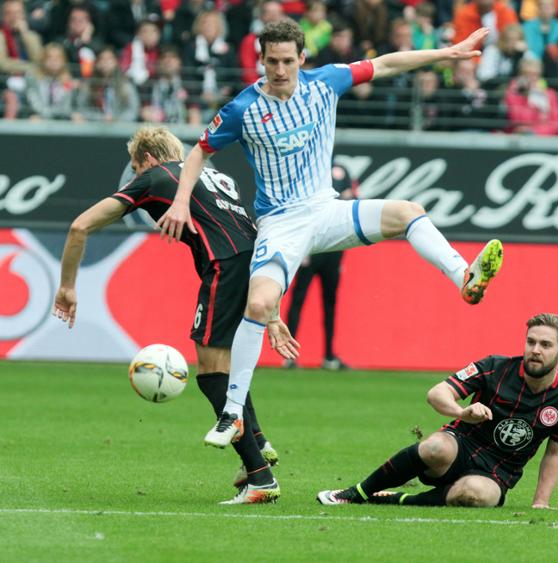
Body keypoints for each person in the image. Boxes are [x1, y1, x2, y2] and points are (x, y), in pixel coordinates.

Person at [156, 20, 505, 449]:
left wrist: (447, 53)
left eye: (288, 61)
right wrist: (178, 202)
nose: (280, 70)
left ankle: (464, 279)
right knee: (261, 302)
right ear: (260, 60)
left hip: (326, 210)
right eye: (272, 61)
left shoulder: (326, 82)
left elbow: (386, 63)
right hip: (281, 223)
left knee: (408, 212)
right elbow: (198, 152)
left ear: (302, 59)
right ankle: (232, 412)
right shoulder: (243, 109)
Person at [52, 126, 300, 505]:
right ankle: (259, 443)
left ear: (149, 159)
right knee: (231, 366)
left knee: (212, 373)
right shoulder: (215, 175)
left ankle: (259, 478)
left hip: (225, 266)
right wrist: (272, 309)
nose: (136, 177)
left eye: (136, 168)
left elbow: (79, 226)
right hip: (259, 263)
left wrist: (67, 287)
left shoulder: (156, 177)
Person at [317, 313, 558, 508]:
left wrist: (541, 501)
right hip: (460, 447)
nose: (535, 350)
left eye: (545, 345)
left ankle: (399, 499)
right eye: (531, 342)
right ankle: (357, 492)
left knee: (475, 496)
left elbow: (556, 451)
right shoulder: (494, 367)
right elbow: (436, 394)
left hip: (497, 472)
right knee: (435, 447)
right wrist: (461, 412)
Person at [284, 163, 356, 370]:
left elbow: (349, 201)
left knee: (330, 303)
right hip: (311, 247)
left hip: (333, 249)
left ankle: (329, 355)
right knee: (299, 298)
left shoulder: (339, 169)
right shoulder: (309, 169)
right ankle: (289, 356)